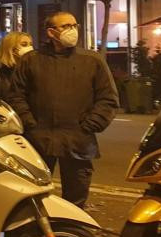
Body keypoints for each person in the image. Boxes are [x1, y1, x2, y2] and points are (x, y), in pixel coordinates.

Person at [7, 12, 119, 207]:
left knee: (76, 198)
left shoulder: (91, 60)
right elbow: (16, 96)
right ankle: (37, 235)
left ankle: (71, 234)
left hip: (78, 141)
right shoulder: (31, 60)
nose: (72, 30)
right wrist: (30, 123)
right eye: (66, 26)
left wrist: (90, 125)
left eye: (74, 25)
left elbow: (108, 98)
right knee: (34, 196)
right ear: (51, 32)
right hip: (40, 140)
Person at [0, 31, 33, 103]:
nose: (29, 48)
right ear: (11, 49)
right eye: (24, 44)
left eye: (31, 44)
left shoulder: (32, 71)